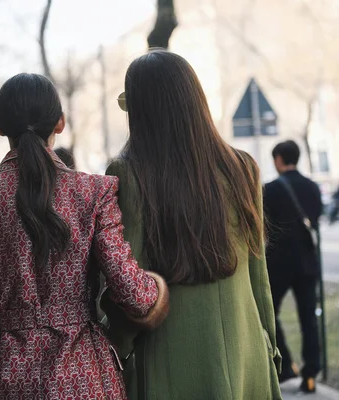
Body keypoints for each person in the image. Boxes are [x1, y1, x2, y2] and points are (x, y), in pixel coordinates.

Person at [0, 73, 169, 399]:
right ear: (59, 123)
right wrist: (157, 290)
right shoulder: (94, 192)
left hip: (8, 379)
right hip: (85, 372)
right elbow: (133, 292)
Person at [103, 50, 281, 400]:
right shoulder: (242, 167)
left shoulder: (130, 173)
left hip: (168, 362)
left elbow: (129, 282)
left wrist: (116, 348)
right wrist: (270, 350)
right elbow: (261, 280)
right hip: (248, 358)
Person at [264, 140, 323, 393]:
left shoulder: (271, 189)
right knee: (308, 318)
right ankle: (310, 375)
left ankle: (287, 364)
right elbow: (317, 218)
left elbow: (264, 225)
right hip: (308, 264)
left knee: (268, 313)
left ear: (278, 159)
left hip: (278, 265)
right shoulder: (312, 187)